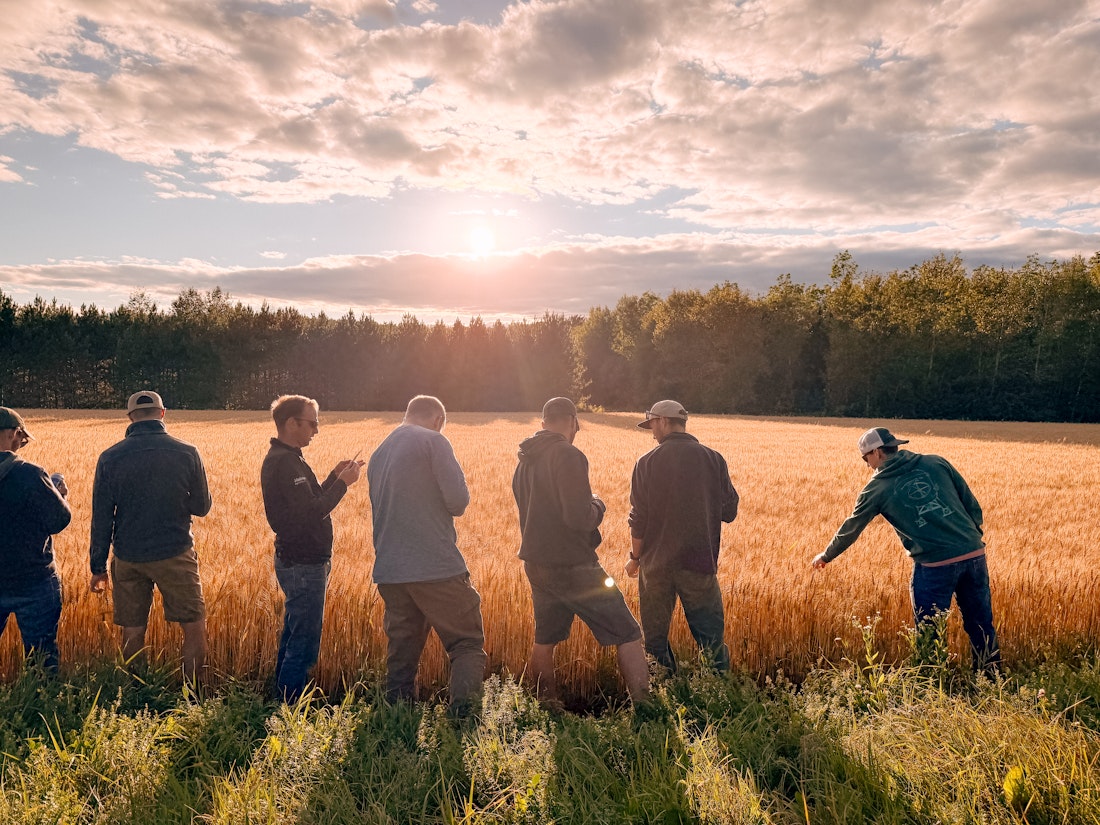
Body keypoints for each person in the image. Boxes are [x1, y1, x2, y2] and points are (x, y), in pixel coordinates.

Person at [812, 427, 1000, 671]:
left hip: (935, 566)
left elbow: (852, 527)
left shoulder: (877, 488)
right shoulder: (936, 463)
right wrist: (972, 537)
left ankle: (933, 683)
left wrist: (826, 555)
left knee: (929, 633)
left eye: (865, 458)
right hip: (974, 554)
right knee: (981, 623)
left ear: (877, 452)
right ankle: (991, 678)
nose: (866, 464)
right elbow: (970, 501)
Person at [512, 397, 650, 708]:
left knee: (545, 638)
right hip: (573, 564)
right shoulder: (568, 454)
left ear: (544, 422)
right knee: (628, 631)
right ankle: (646, 707)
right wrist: (598, 505)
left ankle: (548, 706)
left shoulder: (525, 461)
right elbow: (578, 518)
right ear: (573, 422)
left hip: (536, 564)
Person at [367, 395, 486, 710]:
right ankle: (464, 722)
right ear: (438, 420)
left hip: (391, 571)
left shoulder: (380, 452)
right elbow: (457, 502)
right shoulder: (434, 441)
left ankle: (397, 717)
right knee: (466, 643)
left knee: (402, 652)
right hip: (435, 567)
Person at [89, 391, 212, 683]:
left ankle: (135, 694)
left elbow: (102, 517)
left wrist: (98, 567)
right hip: (175, 551)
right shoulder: (187, 452)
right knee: (193, 625)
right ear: (162, 413)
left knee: (133, 629)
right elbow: (202, 507)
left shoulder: (110, 457)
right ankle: (193, 696)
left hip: (128, 555)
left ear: (131, 417)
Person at [261, 395, 362, 701]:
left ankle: (281, 698)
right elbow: (311, 512)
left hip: (299, 559)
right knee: (304, 640)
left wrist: (333, 477)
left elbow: (308, 501)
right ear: (292, 423)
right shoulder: (285, 462)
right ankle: (290, 705)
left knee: (295, 632)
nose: (316, 430)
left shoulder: (289, 458)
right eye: (312, 423)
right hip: (303, 563)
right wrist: (343, 484)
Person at [625, 400, 739, 673]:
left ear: (664, 421)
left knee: (655, 642)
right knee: (711, 641)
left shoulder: (646, 462)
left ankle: (664, 689)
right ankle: (719, 690)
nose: (652, 432)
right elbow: (730, 511)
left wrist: (635, 558)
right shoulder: (713, 459)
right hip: (699, 562)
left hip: (656, 565)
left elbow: (638, 519)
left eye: (652, 425)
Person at [0, 408, 71, 671]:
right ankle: (40, 696)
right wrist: (60, 494)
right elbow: (58, 521)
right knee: (41, 658)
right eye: (21, 437)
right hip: (33, 580)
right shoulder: (30, 474)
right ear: (13, 433)